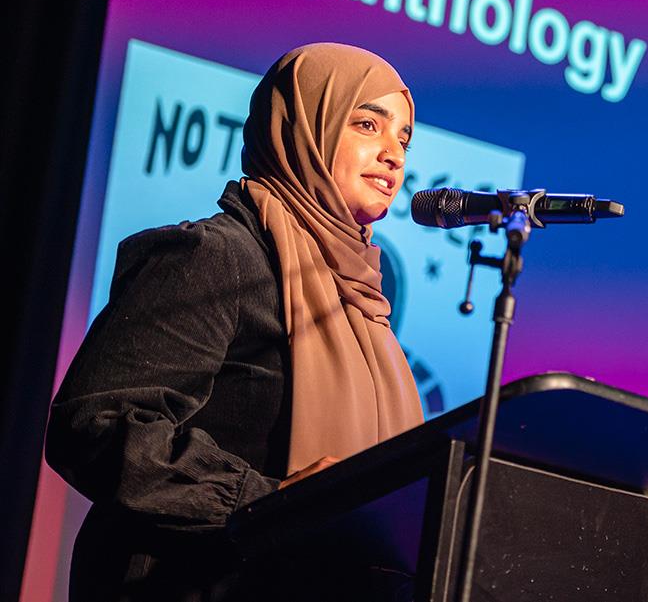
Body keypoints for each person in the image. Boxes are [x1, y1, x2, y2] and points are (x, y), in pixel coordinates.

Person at [45, 43, 425, 601]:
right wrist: (266, 504)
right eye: (368, 123)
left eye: (404, 139)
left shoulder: (362, 304)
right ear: (303, 129)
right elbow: (97, 422)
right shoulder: (219, 256)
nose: (393, 154)